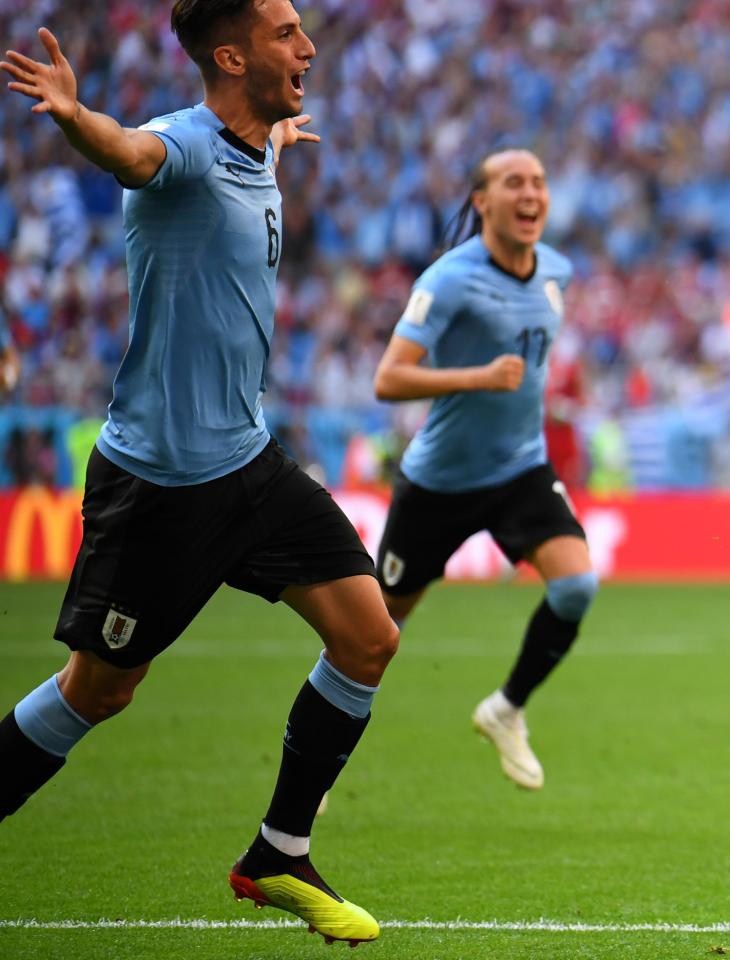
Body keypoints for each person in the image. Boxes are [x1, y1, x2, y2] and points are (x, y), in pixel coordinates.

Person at [0, 2, 395, 945]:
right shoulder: (179, 145)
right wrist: (74, 115)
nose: (307, 47)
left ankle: (278, 853)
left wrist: (277, 130)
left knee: (368, 638)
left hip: (250, 464)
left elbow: (240, 151)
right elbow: (133, 155)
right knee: (98, 692)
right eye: (285, 33)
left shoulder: (255, 143)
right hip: (162, 487)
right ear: (231, 53)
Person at [371, 148, 593, 791]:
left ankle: (506, 709)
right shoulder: (448, 279)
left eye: (539, 182)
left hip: (521, 470)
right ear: (482, 201)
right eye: (513, 183)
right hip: (439, 484)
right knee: (375, 638)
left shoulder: (558, 270)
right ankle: (317, 758)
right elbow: (387, 379)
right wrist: (479, 377)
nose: (530, 194)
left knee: (576, 587)